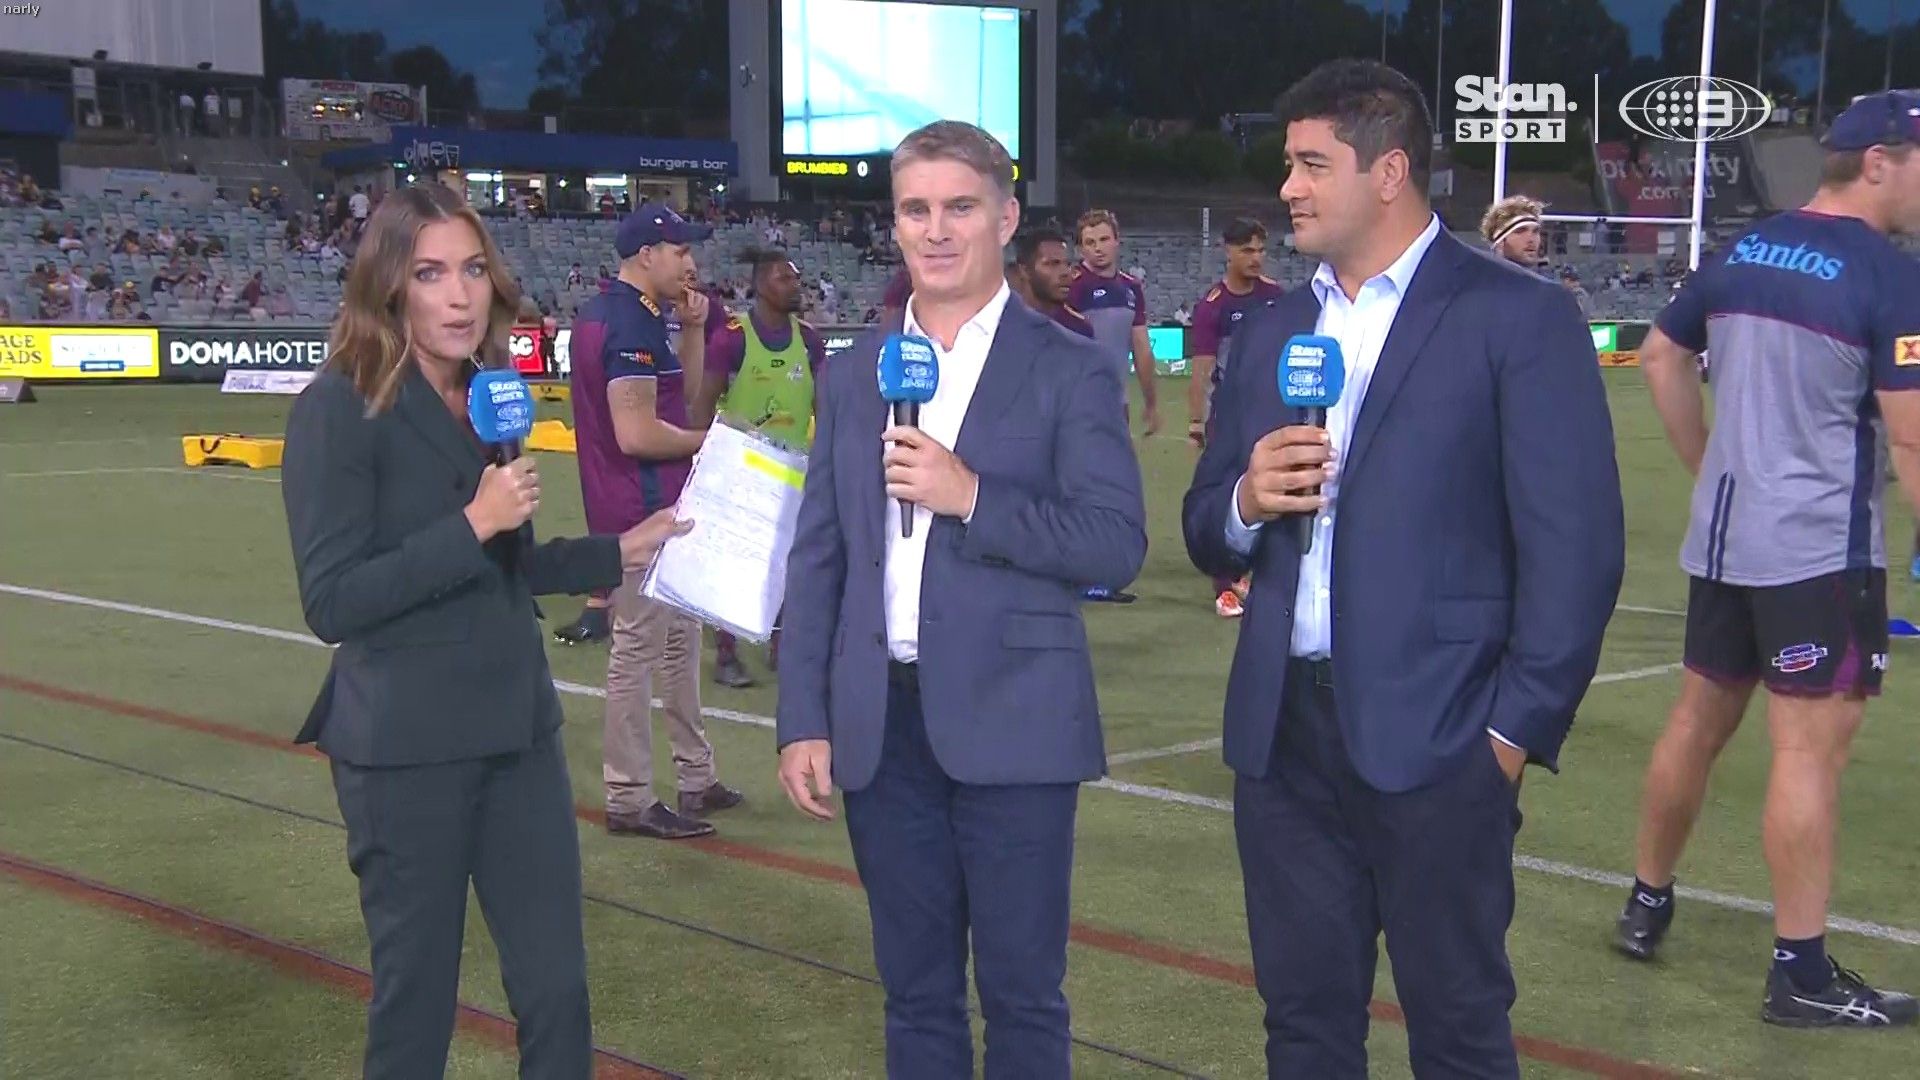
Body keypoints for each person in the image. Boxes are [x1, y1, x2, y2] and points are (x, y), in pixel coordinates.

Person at [1182, 60, 1624, 1077]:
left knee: (1459, 1034)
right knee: (1304, 1029)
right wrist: (1247, 497)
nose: (1287, 188)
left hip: (1445, 739)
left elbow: (1577, 550)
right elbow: (1205, 526)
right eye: (1288, 164)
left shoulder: (1515, 314)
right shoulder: (1275, 329)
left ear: (1388, 172)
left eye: (1311, 164)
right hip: (1284, 743)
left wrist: (1507, 739)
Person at [279, 183, 688, 1078]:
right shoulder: (336, 408)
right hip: (404, 752)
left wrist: (621, 550)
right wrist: (472, 522)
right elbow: (333, 602)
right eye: (431, 273)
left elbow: (511, 563)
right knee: (417, 1003)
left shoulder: (490, 397)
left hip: (517, 738)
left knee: (557, 992)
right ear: (389, 285)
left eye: (472, 270)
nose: (460, 295)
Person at [776, 120, 1147, 1077]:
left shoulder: (1070, 364)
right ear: (895, 224)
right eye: (915, 210)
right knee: (915, 997)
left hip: (1017, 724)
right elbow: (820, 556)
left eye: (959, 208)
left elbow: (1115, 543)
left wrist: (972, 495)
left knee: (1023, 999)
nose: (936, 231)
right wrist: (802, 716)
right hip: (881, 731)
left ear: (1007, 217)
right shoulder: (853, 371)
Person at [1613, 90, 1920, 1027]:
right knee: (1807, 752)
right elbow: (1912, 439)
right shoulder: (1889, 273)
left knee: (1696, 723)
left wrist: (1709, 466)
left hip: (1727, 536)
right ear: (1879, 163)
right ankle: (1801, 974)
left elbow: (1660, 356)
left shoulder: (1747, 247)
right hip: (1817, 548)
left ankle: (1646, 902)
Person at [569, 203, 744, 840]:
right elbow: (639, 433)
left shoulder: (622, 315)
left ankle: (695, 777)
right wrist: (712, 445)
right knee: (639, 650)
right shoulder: (627, 324)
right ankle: (629, 795)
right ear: (648, 254)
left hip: (650, 505)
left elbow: (681, 401)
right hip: (640, 511)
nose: (690, 262)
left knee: (678, 644)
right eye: (680, 249)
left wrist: (692, 332)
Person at [690, 248, 829, 688]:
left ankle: (781, 644)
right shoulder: (732, 338)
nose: (795, 285)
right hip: (740, 468)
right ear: (761, 285)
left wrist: (827, 457)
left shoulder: (809, 341)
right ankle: (726, 654)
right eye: (784, 278)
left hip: (792, 471)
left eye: (795, 277)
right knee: (734, 561)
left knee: (788, 560)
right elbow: (703, 404)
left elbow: (824, 408)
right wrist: (701, 459)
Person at [1189, 217, 1286, 619]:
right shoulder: (1214, 306)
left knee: (1270, 489)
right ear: (1227, 251)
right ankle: (1224, 587)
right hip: (1227, 415)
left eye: (1261, 250)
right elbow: (1202, 366)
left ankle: (1251, 573)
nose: (1256, 258)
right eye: (1247, 250)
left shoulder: (1275, 296)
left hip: (1268, 408)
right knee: (1226, 493)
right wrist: (1196, 420)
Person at [1068, 209, 1161, 437]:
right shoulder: (1071, 286)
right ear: (1080, 249)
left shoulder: (1131, 288)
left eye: (1104, 239)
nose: (1098, 248)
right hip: (1076, 403)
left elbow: (1141, 348)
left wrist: (1151, 402)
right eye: (1090, 243)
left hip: (1118, 402)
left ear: (1117, 241)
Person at [1005, 226, 1094, 339]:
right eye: (1053, 264)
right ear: (1025, 270)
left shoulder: (1079, 328)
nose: (1065, 272)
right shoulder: (1002, 327)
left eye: (1067, 264)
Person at [1480, 194, 1547, 269]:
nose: (1531, 239)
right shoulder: (1480, 275)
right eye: (1520, 231)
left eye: (1535, 231)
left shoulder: (1549, 276)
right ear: (1499, 241)